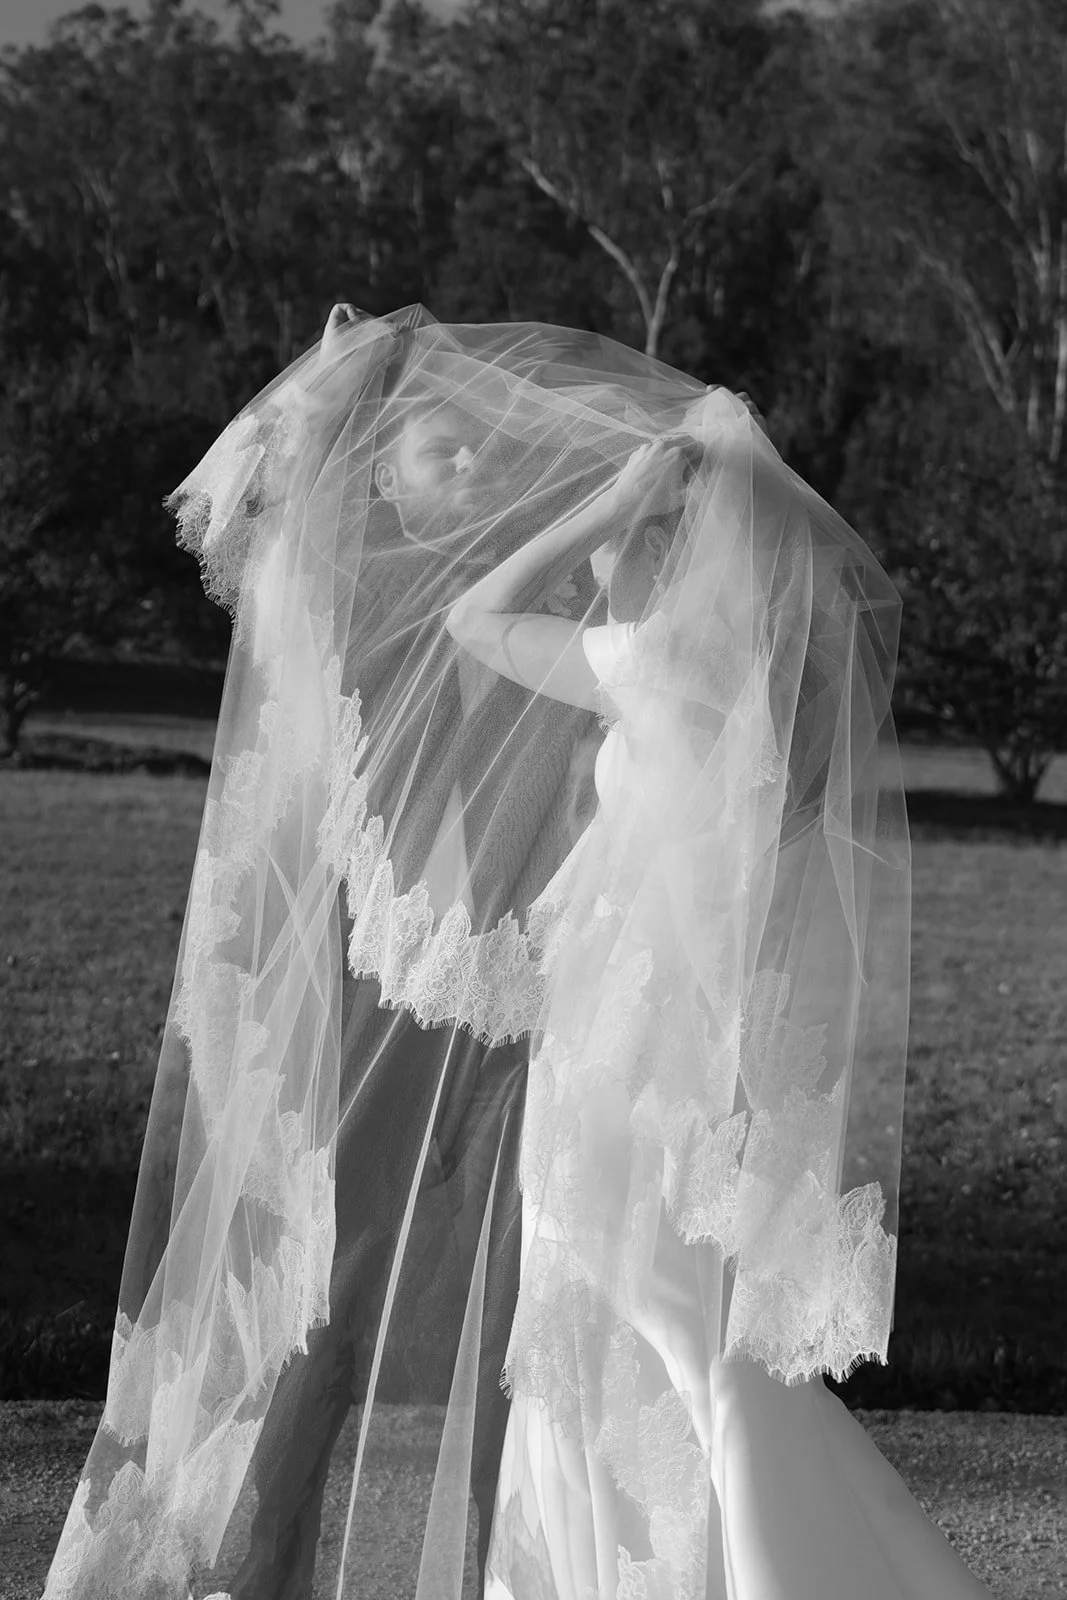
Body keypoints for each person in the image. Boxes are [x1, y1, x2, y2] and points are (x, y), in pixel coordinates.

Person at [41, 307, 992, 1600]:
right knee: (612, 1321)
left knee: (636, 1317)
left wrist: (596, 514)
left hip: (618, 1049)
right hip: (629, 1034)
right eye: (450, 452)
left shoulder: (647, 661)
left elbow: (484, 625)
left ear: (661, 551)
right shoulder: (713, 673)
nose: (498, 474)